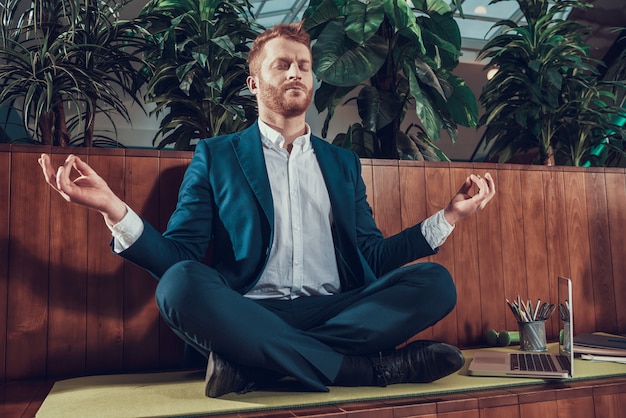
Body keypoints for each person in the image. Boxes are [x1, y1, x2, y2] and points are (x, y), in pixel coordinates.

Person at [39, 22, 496, 398]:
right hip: (246, 313)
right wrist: (113, 209)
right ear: (254, 81)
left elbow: (370, 258)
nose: (296, 72)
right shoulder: (217, 156)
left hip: (334, 312)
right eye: (283, 64)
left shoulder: (342, 163)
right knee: (179, 285)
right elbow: (181, 256)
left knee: (435, 283)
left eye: (304, 65)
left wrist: (449, 217)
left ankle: (254, 368)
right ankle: (364, 371)